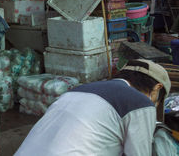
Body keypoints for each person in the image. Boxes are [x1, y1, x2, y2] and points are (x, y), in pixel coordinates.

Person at [15, 59, 171, 156]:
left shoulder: (75, 92)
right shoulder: (141, 103)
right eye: (157, 101)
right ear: (156, 89)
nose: (154, 105)